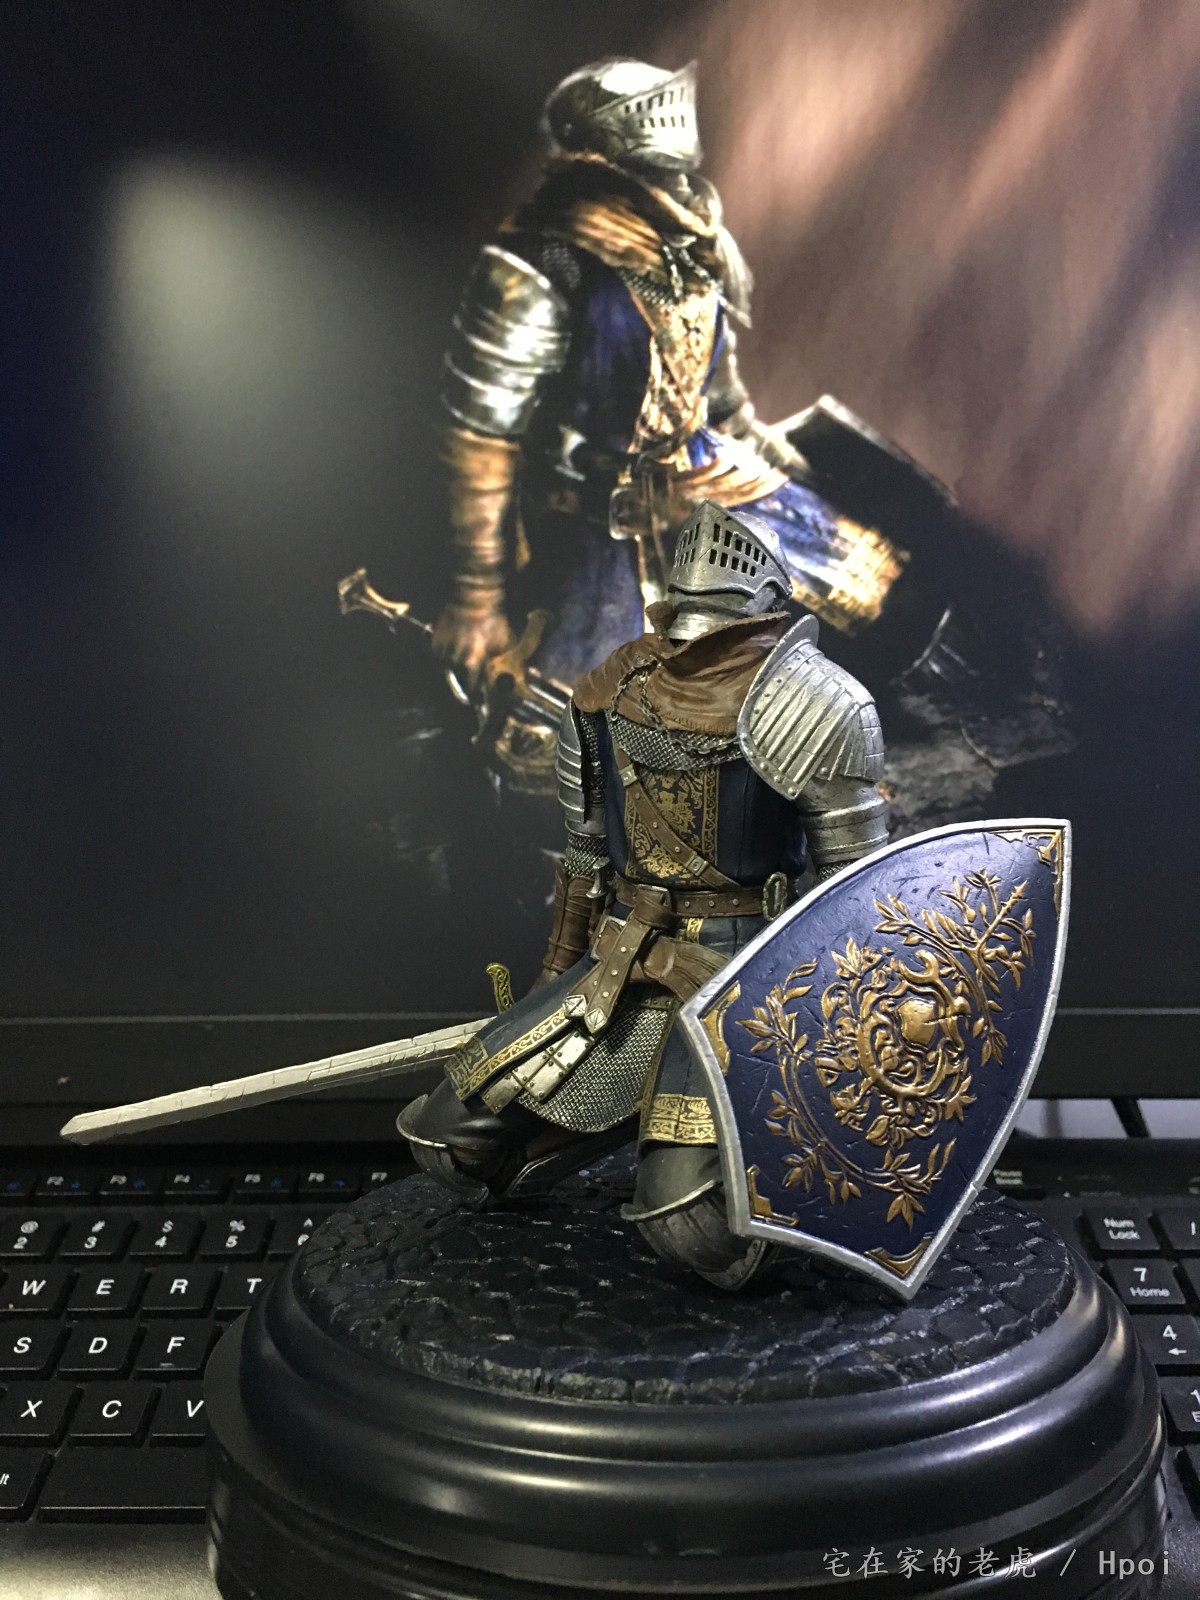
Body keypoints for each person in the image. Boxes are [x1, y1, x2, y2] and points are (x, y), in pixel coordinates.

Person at [400, 501, 888, 1288]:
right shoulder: (610, 688)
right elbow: (585, 856)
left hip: (739, 980)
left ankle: (745, 1167)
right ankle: (625, 1121)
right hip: (621, 965)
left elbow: (857, 898)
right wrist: (553, 980)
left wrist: (830, 1045)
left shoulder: (818, 701)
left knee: (687, 1227)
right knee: (448, 1144)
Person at [431, 57, 903, 790]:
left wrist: (787, 467)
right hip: (597, 523)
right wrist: (477, 596)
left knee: (859, 586)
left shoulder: (689, 254)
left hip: (704, 479)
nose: (679, 185)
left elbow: (720, 404)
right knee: (568, 753)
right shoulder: (540, 264)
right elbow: (481, 436)